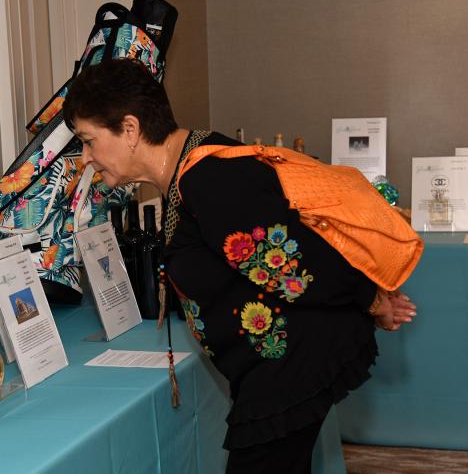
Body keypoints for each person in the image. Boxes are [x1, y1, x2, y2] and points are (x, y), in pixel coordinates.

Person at [62, 58, 418, 474]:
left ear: (129, 129)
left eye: (88, 141)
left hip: (292, 369)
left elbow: (291, 265)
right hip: (278, 369)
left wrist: (371, 299)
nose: (86, 157)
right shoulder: (192, 160)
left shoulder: (209, 178)